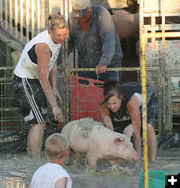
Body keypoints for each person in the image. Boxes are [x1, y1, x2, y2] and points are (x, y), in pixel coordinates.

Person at [12, 14, 68, 158]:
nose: (62, 38)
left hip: (36, 80)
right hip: (25, 80)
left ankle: (32, 156)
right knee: (39, 122)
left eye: (64, 34)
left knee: (39, 121)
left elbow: (53, 63)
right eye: (59, 35)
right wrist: (54, 106)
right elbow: (44, 80)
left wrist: (54, 87)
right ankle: (35, 160)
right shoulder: (43, 47)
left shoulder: (58, 40)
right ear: (50, 32)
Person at [100, 80, 158, 161]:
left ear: (121, 98)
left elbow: (137, 135)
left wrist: (137, 158)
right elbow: (108, 126)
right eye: (109, 104)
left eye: (114, 103)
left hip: (146, 95)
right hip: (129, 99)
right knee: (124, 129)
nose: (112, 107)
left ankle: (152, 161)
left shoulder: (131, 102)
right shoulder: (103, 104)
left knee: (148, 127)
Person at [68, 0, 123, 82]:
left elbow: (109, 40)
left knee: (111, 93)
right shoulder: (72, 19)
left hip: (110, 66)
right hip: (88, 66)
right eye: (77, 15)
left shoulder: (102, 14)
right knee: (85, 93)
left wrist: (103, 62)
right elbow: (69, 42)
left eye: (83, 15)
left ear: (90, 8)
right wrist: (54, 60)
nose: (80, 18)